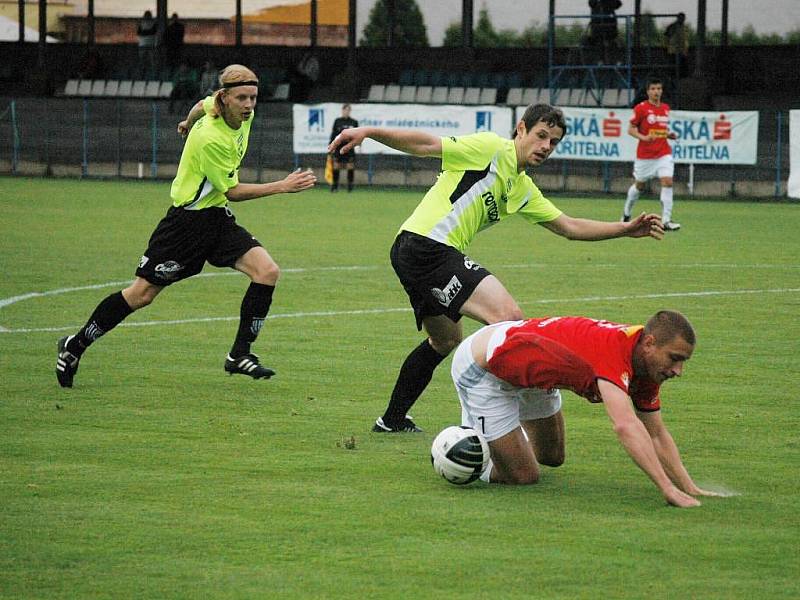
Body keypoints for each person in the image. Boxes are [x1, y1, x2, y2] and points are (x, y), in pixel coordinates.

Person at [328, 103, 665, 433]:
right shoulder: (491, 149)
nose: (546, 146)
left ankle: (392, 419)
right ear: (521, 129)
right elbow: (427, 145)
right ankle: (484, 426)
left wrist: (623, 229)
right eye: (541, 135)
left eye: (554, 142)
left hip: (418, 253)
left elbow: (569, 226)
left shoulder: (521, 187)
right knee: (508, 318)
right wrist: (369, 132)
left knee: (444, 341)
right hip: (425, 245)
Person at [55, 65, 317, 388]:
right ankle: (74, 346)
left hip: (215, 219)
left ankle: (239, 354)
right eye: (242, 98)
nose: (249, 105)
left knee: (267, 272)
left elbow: (199, 105)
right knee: (141, 295)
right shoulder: (211, 138)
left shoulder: (224, 110)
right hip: (185, 225)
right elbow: (233, 192)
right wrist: (282, 186)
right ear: (226, 97)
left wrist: (185, 122)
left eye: (253, 97)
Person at [451, 310, 725, 507]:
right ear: (650, 343)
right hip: (484, 367)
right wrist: (667, 489)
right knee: (525, 475)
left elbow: (656, 433)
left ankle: (502, 441)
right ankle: (463, 452)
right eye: (675, 359)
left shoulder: (646, 366)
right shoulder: (612, 351)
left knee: (552, 456)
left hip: (534, 373)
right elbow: (626, 425)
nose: (679, 371)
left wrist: (688, 487)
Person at [622, 78, 681, 231]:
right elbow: (630, 129)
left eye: (659, 89)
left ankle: (666, 220)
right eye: (653, 89)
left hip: (663, 153)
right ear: (648, 91)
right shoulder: (641, 108)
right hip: (645, 156)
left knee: (667, 182)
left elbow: (660, 130)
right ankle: (626, 214)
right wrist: (643, 137)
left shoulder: (665, 108)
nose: (656, 92)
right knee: (639, 186)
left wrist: (669, 135)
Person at [328, 104, 359, 193]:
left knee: (350, 166)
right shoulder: (337, 121)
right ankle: (335, 186)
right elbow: (333, 134)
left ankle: (350, 187)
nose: (346, 112)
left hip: (349, 147)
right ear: (342, 111)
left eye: (348, 110)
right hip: (339, 147)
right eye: (345, 110)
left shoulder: (354, 122)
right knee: (336, 166)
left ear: (350, 111)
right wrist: (331, 146)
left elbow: (357, 135)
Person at [665, 13, 690, 79]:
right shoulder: (673, 26)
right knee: (674, 67)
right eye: (681, 18)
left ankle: (681, 80)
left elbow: (685, 39)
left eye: (683, 18)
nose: (683, 20)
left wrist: (685, 50)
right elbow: (667, 36)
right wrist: (667, 46)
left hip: (682, 51)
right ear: (678, 18)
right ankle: (673, 80)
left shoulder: (684, 27)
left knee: (683, 68)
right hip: (674, 51)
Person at [136, 10, 158, 75]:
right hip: (144, 44)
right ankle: (142, 73)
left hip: (149, 44)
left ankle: (153, 74)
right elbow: (139, 33)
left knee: (152, 61)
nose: (147, 17)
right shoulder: (142, 24)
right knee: (143, 61)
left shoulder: (153, 24)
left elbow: (153, 32)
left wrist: (145, 32)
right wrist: (148, 32)